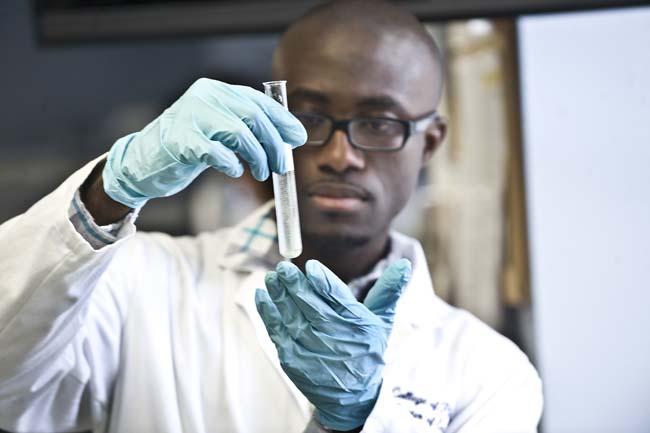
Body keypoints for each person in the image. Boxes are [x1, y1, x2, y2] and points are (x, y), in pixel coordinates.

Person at [0, 1, 543, 432]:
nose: (338, 154)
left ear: (430, 143)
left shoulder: (489, 370)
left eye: (380, 122)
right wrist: (107, 193)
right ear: (269, 112)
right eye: (309, 115)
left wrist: (365, 418)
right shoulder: (139, 281)